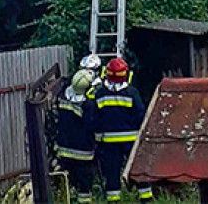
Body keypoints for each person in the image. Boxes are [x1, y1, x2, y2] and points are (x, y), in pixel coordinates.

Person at [93, 57, 153, 201]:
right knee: (138, 170)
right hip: (131, 141)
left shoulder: (100, 94)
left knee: (112, 173)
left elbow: (94, 118)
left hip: (109, 142)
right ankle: (145, 197)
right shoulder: (132, 93)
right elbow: (141, 115)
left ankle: (113, 200)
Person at [56, 70, 97, 204]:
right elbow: (92, 126)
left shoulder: (63, 99)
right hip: (83, 154)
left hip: (64, 151)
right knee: (84, 186)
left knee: (69, 183)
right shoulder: (88, 106)